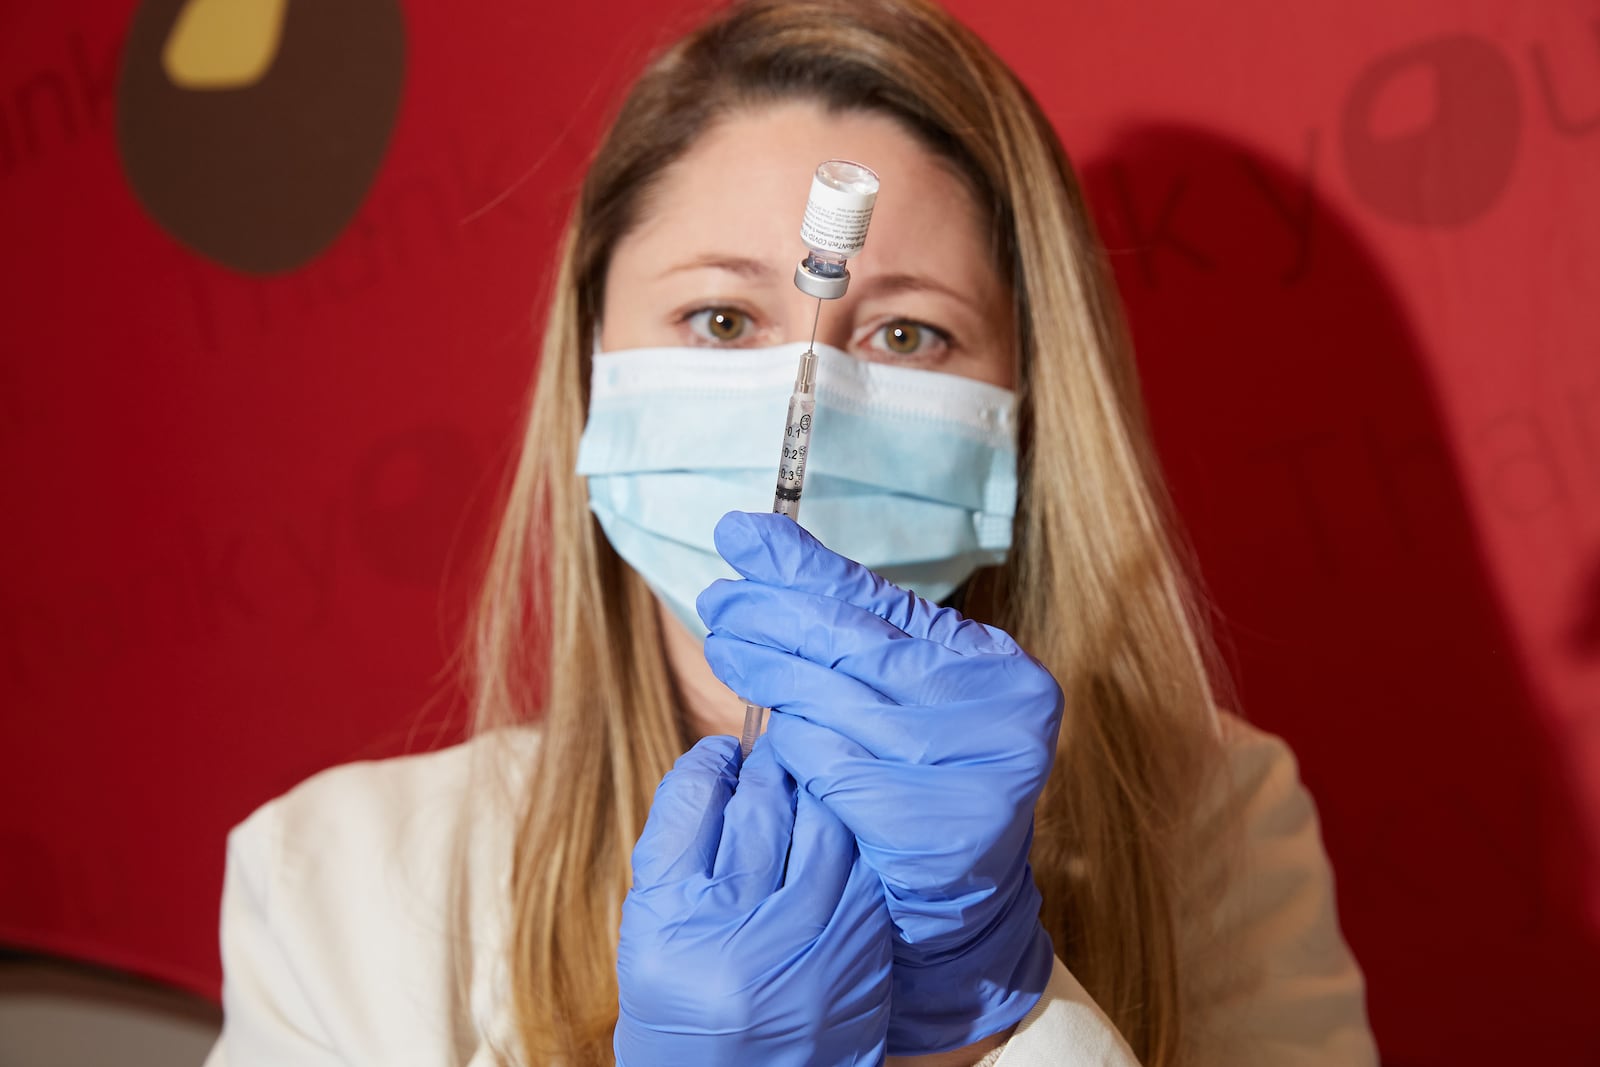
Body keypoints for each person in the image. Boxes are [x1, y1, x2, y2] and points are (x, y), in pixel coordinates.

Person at [203, 0, 1378, 1064]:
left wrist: (998, 1006)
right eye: (719, 317)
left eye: (910, 336)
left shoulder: (1212, 824)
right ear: (590, 370)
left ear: (1026, 408)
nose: (803, 382)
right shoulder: (337, 883)